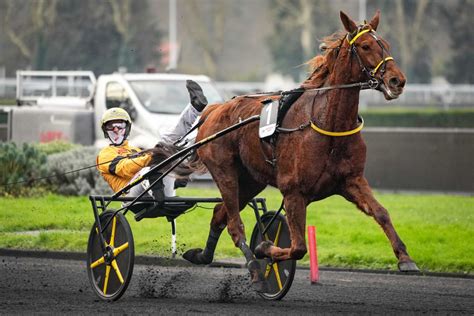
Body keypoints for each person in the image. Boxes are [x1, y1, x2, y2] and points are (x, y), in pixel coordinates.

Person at [96, 80, 208, 215]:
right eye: (110, 126)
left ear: (127, 128)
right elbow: (124, 169)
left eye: (120, 126)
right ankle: (160, 198)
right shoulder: (105, 154)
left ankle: (195, 108)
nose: (115, 129)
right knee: (155, 160)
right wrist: (152, 156)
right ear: (105, 130)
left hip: (151, 190)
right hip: (131, 197)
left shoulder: (135, 150)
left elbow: (153, 163)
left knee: (168, 144)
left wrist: (175, 179)